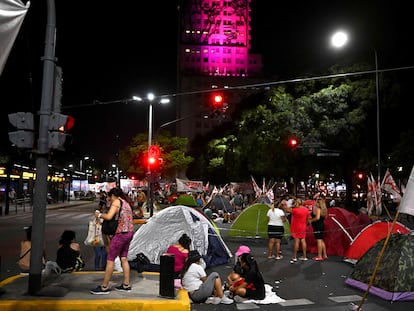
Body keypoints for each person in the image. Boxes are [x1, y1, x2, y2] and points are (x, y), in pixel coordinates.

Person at [90, 187, 134, 294]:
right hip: (129, 233)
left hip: (121, 234)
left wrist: (99, 215)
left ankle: (104, 287)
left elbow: (109, 216)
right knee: (124, 258)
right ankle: (126, 284)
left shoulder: (116, 202)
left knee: (110, 258)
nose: (109, 200)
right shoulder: (126, 203)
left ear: (113, 196)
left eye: (110, 197)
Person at [283, 198, 309, 263]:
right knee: (303, 240)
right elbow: (307, 219)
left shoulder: (294, 210)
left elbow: (286, 209)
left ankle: (294, 257)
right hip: (303, 226)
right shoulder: (306, 209)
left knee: (296, 241)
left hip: (296, 227)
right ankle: (305, 256)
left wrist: (291, 205)